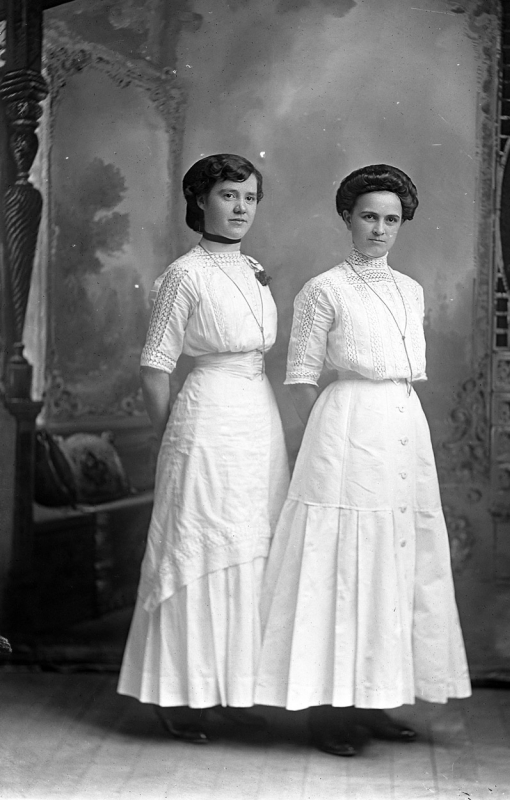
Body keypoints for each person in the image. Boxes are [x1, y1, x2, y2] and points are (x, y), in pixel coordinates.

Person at [255, 164, 471, 756]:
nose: (379, 229)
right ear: (347, 218)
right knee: (342, 564)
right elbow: (300, 379)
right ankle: (327, 712)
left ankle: (374, 698)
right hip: (346, 430)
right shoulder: (323, 290)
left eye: (391, 220)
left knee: (394, 559)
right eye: (369, 217)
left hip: (402, 426)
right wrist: (328, 445)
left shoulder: (411, 290)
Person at [118, 153, 289, 742]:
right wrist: (171, 436)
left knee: (250, 548)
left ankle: (234, 691)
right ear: (200, 200)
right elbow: (154, 368)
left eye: (249, 197)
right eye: (228, 195)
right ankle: (181, 696)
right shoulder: (183, 275)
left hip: (257, 418)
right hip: (207, 417)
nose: (240, 208)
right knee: (200, 547)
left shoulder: (254, 268)